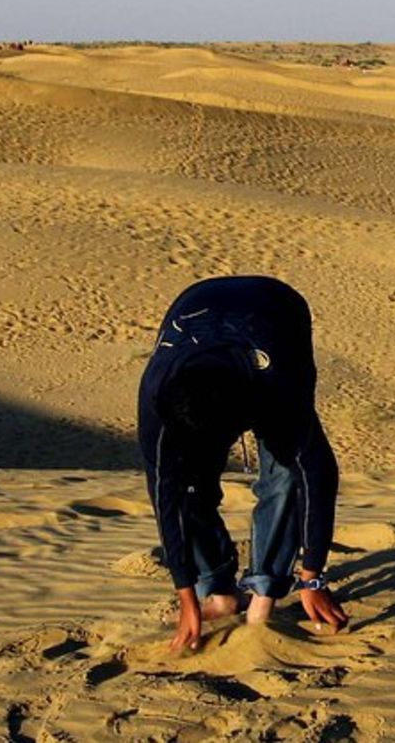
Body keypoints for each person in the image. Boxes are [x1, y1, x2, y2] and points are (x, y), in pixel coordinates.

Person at [138, 275, 348, 652]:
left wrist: (312, 578)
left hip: (277, 312)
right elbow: (164, 497)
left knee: (283, 475)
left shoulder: (278, 386)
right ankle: (219, 591)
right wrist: (187, 597)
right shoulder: (158, 395)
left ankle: (264, 594)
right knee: (188, 485)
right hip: (196, 302)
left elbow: (318, 476)